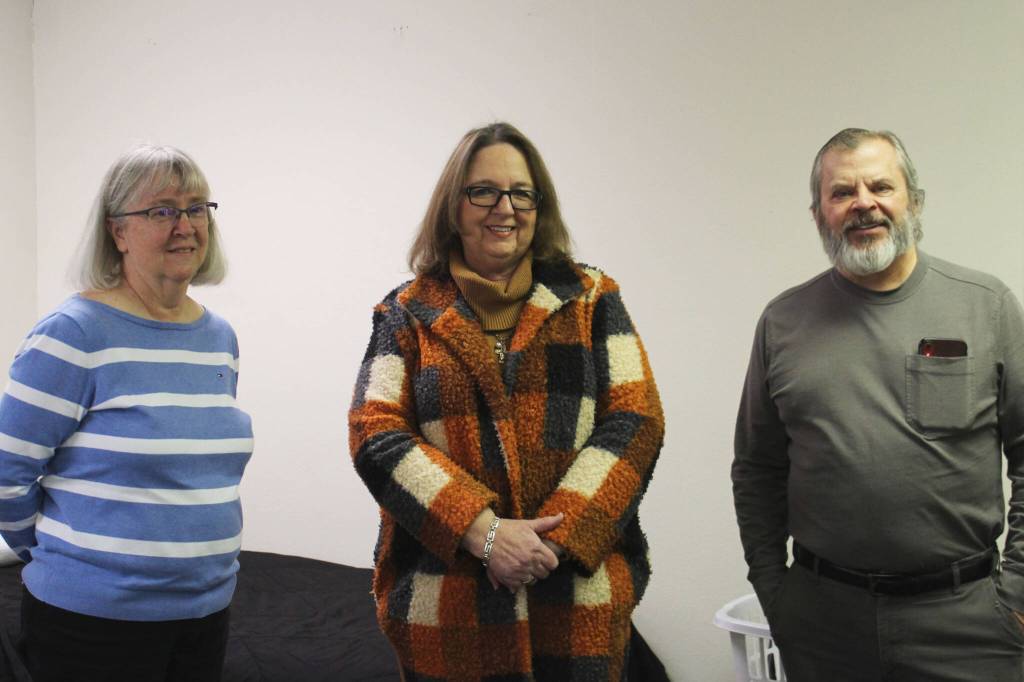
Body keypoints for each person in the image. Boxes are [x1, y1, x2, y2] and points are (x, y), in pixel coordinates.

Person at [348, 122, 664, 681]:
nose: (506, 208)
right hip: (446, 611)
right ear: (453, 206)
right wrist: (484, 532)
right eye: (484, 191)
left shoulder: (592, 298)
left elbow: (635, 420)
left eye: (522, 193)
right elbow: (376, 434)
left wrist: (556, 541)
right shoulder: (404, 311)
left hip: (575, 598)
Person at [732, 128, 1024, 681]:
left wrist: (1017, 597)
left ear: (913, 200)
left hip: (969, 625)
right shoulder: (783, 323)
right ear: (819, 214)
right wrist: (776, 593)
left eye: (880, 186)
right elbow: (757, 468)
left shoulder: (987, 307)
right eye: (842, 192)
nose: (863, 203)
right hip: (825, 625)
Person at [0, 145, 254, 682]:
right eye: (161, 210)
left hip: (206, 611)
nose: (184, 225)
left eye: (196, 208)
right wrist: (61, 557)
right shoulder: (73, 334)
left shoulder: (218, 338)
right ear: (118, 232)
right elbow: (6, 472)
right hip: (91, 621)